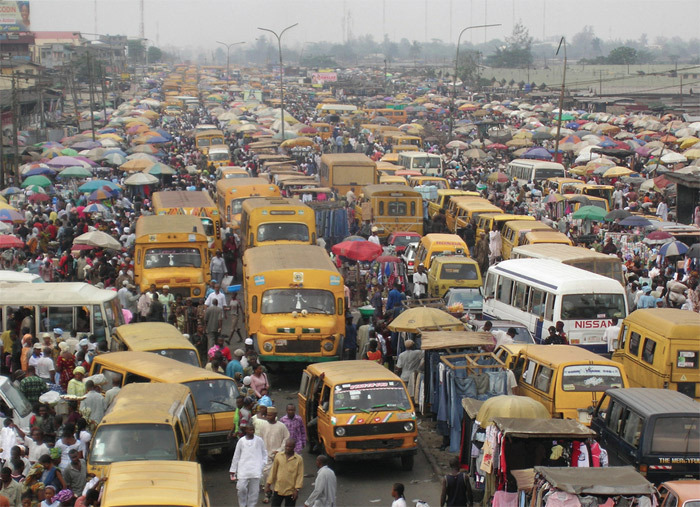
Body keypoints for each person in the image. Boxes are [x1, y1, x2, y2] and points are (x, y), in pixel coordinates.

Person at [230, 423, 267, 507]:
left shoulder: (259, 440)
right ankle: (242, 505)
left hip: (255, 470)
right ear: (246, 430)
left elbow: (264, 453)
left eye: (253, 430)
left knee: (254, 491)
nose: (252, 431)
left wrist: (262, 465)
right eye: (250, 430)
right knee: (241, 488)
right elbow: (236, 455)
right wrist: (233, 470)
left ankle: (251, 505)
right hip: (243, 470)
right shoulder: (241, 441)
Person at [259, 407, 290, 503]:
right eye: (267, 415)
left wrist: (280, 450)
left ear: (275, 415)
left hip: (279, 455)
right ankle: (268, 492)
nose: (268, 417)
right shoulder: (264, 426)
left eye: (270, 415)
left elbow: (286, 438)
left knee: (278, 475)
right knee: (266, 473)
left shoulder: (281, 426)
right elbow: (260, 439)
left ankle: (274, 494)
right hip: (267, 455)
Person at [265, 438, 304, 507]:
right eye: (286, 446)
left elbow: (300, 475)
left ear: (294, 447)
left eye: (290, 447)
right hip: (278, 489)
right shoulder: (278, 456)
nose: (288, 448)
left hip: (291, 491)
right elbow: (273, 471)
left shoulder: (298, 459)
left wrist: (297, 490)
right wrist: (268, 485)